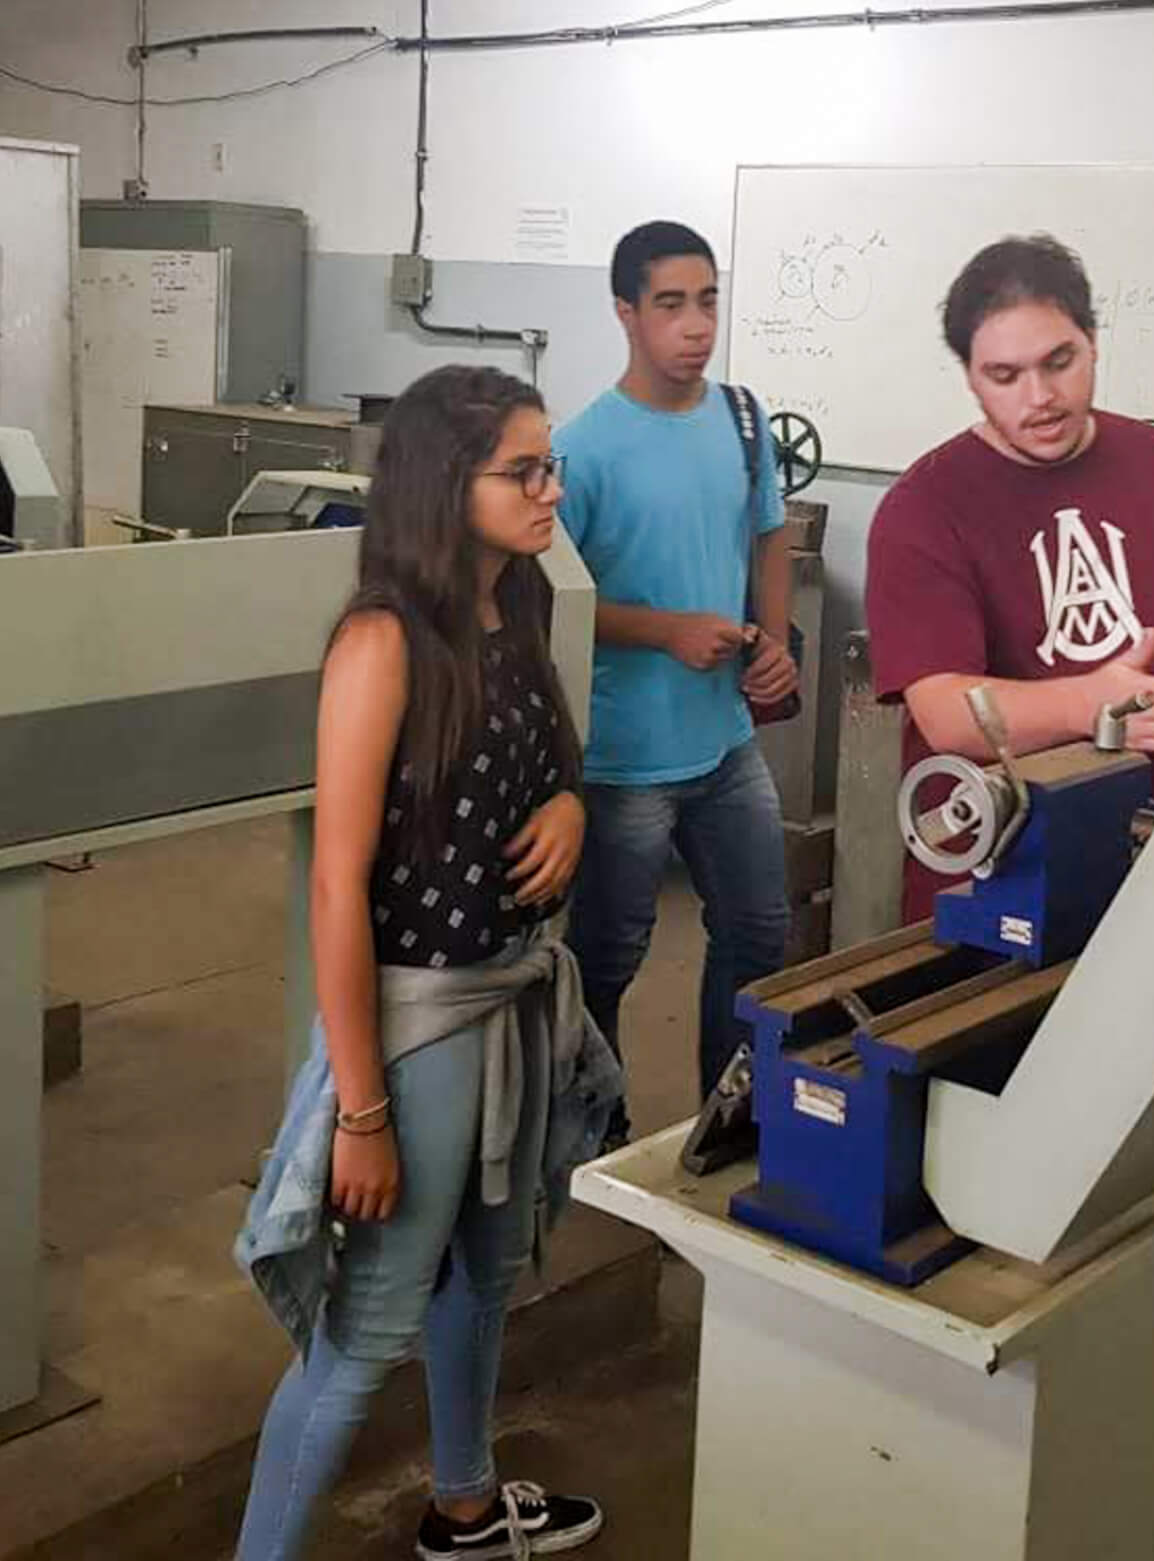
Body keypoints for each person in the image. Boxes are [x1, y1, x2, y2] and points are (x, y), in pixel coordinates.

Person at [233, 365, 618, 1561]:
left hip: (515, 991)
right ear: (446, 486)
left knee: (487, 1271)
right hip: (426, 1025)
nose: (551, 490)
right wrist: (361, 1111)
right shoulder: (382, 643)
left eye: (551, 465)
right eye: (524, 471)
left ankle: (464, 1503)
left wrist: (570, 807)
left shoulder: (521, 604)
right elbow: (336, 887)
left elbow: (545, 764)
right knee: (364, 1331)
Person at [866, 233, 1154, 921]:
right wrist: (1093, 704)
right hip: (998, 869)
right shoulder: (924, 508)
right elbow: (945, 714)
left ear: (1093, 343)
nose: (1041, 397)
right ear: (969, 376)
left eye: (1060, 362)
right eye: (1005, 375)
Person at [556, 220, 795, 1125]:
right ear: (626, 313)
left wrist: (775, 640)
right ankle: (594, 1136)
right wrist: (664, 632)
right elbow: (553, 602)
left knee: (759, 933)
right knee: (607, 958)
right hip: (624, 758)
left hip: (726, 743)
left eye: (707, 302)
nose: (696, 326)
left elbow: (768, 533)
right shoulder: (583, 449)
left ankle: (726, 1122)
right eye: (670, 305)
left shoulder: (742, 418)